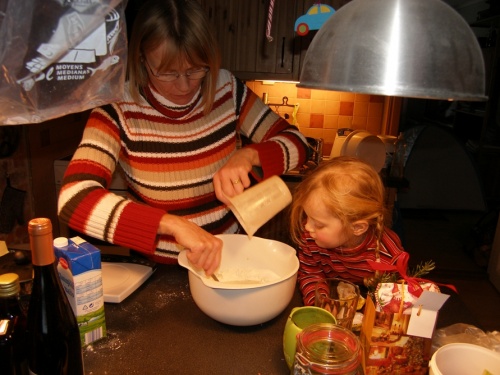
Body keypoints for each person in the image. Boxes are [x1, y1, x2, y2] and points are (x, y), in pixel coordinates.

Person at [57, 0, 308, 277]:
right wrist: (173, 225)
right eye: (167, 72)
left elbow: (297, 142)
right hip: (158, 271)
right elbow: (73, 198)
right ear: (141, 58)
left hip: (228, 257)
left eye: (196, 70)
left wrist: (250, 155)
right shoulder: (116, 109)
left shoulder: (227, 90)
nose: (184, 85)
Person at [289, 156, 408, 306]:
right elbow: (311, 274)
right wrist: (320, 304)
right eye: (307, 216)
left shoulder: (388, 256)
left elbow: (397, 296)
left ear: (357, 227)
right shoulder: (310, 238)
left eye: (318, 224)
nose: (307, 227)